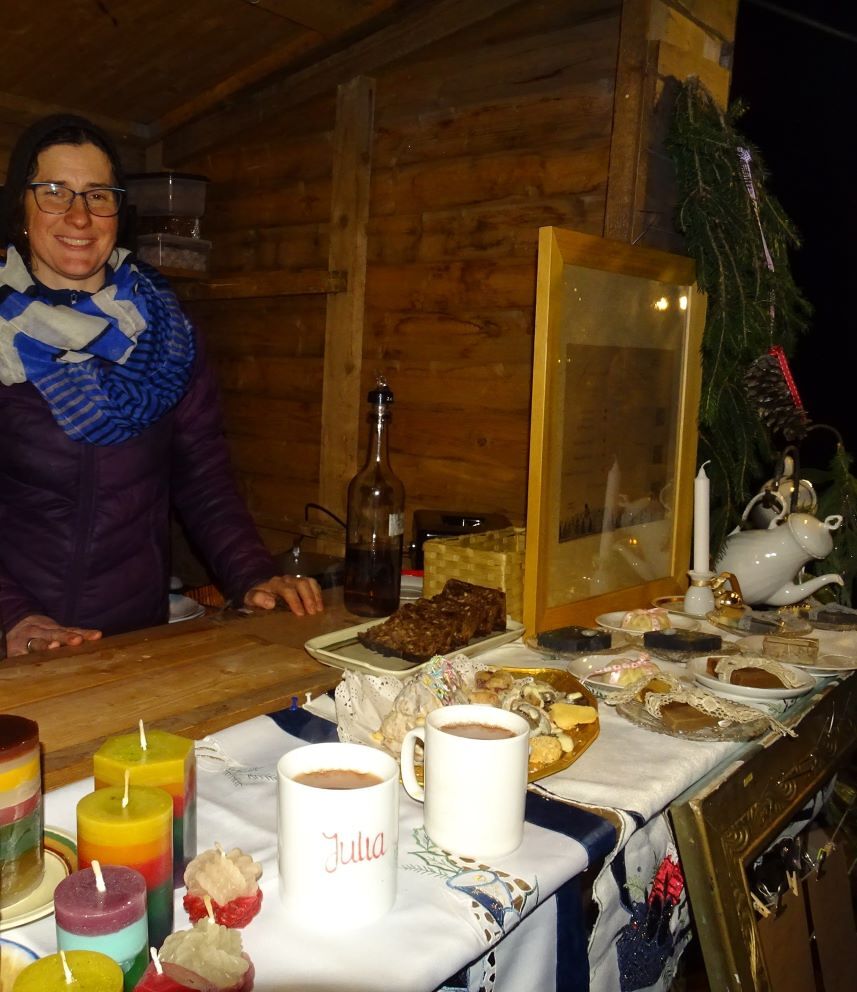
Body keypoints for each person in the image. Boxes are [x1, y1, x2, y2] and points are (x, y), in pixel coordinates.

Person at [0, 114, 322, 658]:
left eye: (98, 195)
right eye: (54, 192)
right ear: (21, 207)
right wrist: (13, 617)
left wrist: (252, 574)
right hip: (19, 644)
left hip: (137, 641)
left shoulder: (168, 332)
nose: (79, 216)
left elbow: (203, 477)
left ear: (118, 210)